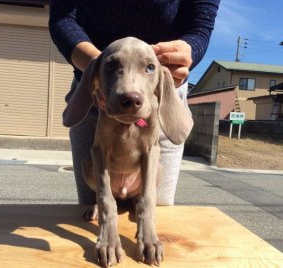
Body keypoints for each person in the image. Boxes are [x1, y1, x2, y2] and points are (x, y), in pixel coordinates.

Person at [49, 0, 220, 205]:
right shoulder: (100, 77)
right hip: (96, 93)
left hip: (163, 98)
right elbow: (63, 18)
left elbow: (201, 26)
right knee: (91, 213)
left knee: (157, 215)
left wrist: (188, 50)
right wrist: (102, 68)